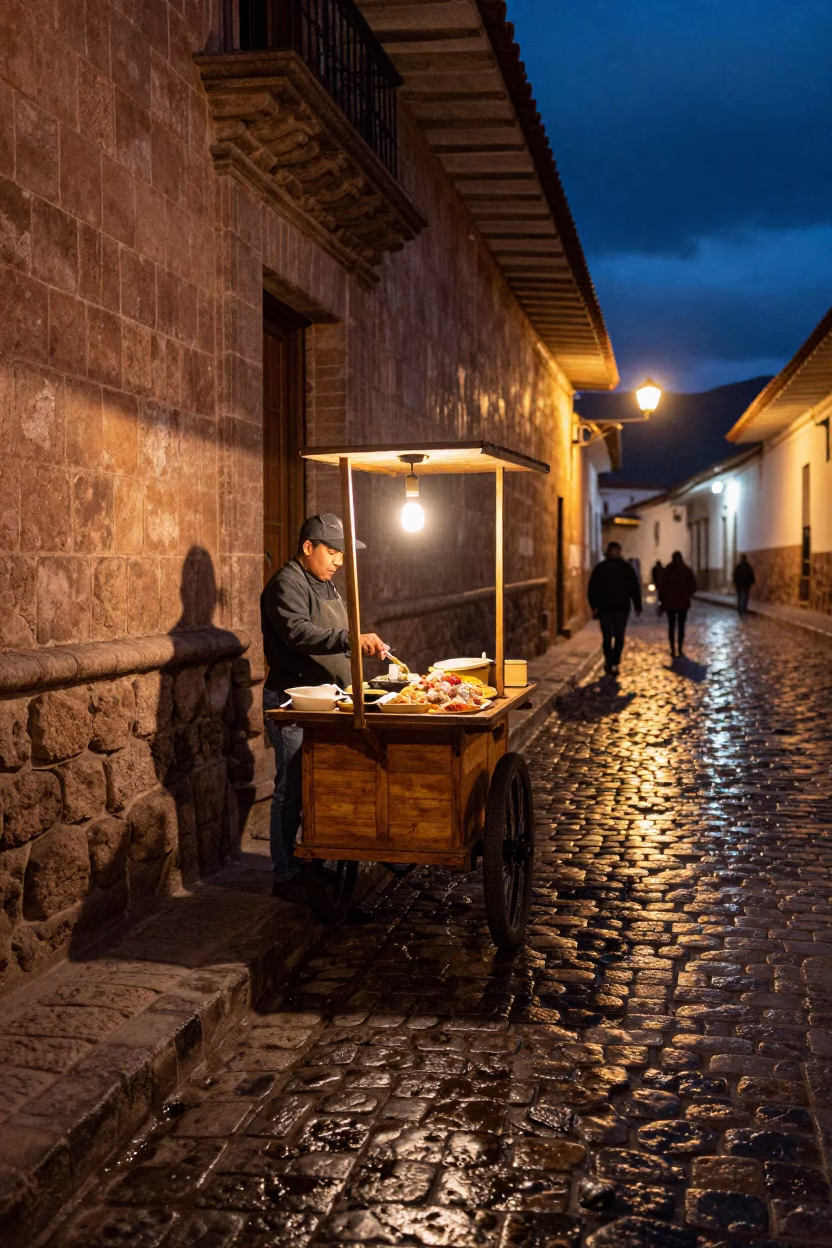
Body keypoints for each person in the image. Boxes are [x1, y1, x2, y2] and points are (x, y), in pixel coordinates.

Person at [261, 514, 387, 902]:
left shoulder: (326, 584)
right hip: (294, 702)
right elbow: (298, 633)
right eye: (331, 552)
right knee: (292, 787)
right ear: (307, 547)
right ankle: (285, 874)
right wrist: (351, 638)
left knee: (325, 784)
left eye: (341, 554)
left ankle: (316, 860)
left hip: (330, 699)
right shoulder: (286, 584)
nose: (337, 561)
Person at [588, 541, 643, 676]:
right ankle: (608, 660)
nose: (614, 553)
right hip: (605, 609)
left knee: (619, 637)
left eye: (616, 550)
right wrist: (594, 606)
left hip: (621, 609)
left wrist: (637, 605)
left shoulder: (626, 568)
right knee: (606, 637)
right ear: (609, 552)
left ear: (619, 552)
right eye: (612, 550)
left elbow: (634, 588)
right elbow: (592, 588)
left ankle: (616, 660)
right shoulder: (600, 569)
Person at [658, 550, 697, 658]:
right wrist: (687, 594)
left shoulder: (667, 571)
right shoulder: (686, 570)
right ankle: (679, 647)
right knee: (681, 626)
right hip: (683, 603)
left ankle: (673, 648)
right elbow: (693, 586)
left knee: (671, 626)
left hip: (670, 604)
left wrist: (661, 601)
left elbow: (662, 588)